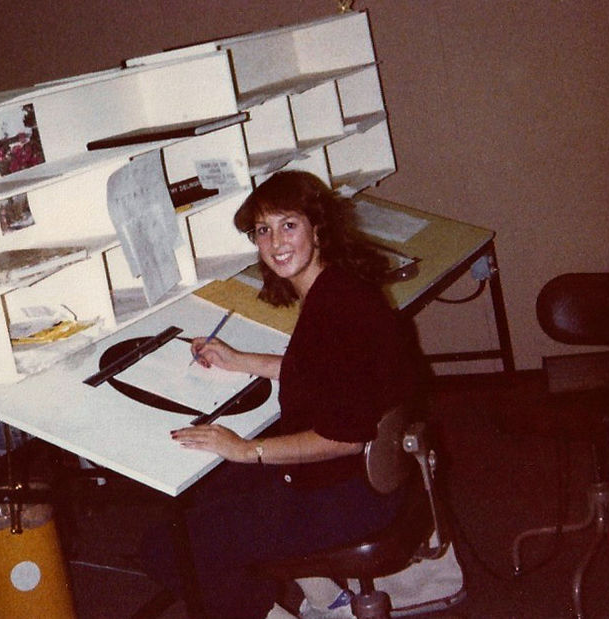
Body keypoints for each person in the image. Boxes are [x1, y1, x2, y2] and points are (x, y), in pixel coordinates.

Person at [140, 171, 426, 619]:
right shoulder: (338, 288)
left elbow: (345, 437)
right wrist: (241, 360)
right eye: (263, 230)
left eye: (288, 225)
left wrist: (247, 449)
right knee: (206, 491)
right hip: (365, 476)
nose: (275, 243)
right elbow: (324, 373)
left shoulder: (335, 312)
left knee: (167, 547)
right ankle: (328, 601)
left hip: (348, 495)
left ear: (318, 229)